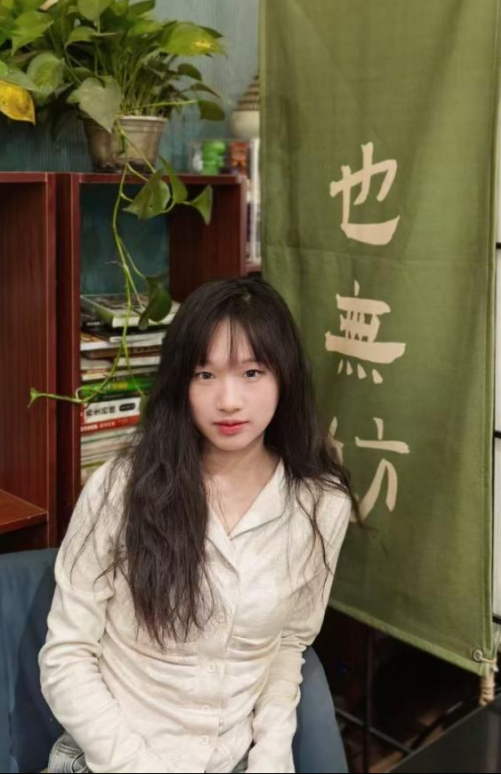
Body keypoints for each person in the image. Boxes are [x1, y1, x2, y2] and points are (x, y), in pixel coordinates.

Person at [40, 278, 355, 774]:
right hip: (108, 762)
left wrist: (272, 758)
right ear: (180, 384)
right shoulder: (121, 487)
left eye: (251, 372)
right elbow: (66, 656)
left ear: (286, 377)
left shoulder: (320, 503)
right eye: (205, 375)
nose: (229, 400)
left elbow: (287, 645)